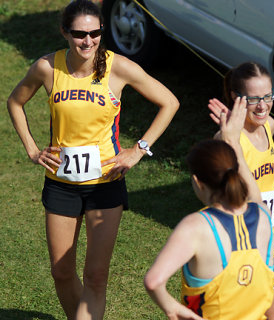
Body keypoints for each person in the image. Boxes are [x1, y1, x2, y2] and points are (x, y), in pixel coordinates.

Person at [7, 1, 179, 319]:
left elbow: (169, 102)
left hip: (105, 183)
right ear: (65, 32)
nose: (88, 41)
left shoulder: (119, 67)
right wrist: (32, 149)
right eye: (79, 34)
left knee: (96, 277)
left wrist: (139, 149)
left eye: (95, 32)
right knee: (61, 273)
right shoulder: (48, 67)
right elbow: (15, 102)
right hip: (61, 184)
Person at [144, 96, 274, 320]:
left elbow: (153, 281)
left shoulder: (196, 226)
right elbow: (254, 193)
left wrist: (173, 309)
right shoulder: (263, 215)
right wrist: (233, 141)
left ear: (198, 182)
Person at [208, 62, 274, 320]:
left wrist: (273, 219)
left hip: (271, 246)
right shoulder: (227, 141)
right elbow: (215, 198)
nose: (262, 106)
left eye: (267, 97)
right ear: (236, 98)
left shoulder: (269, 127)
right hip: (242, 252)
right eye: (253, 99)